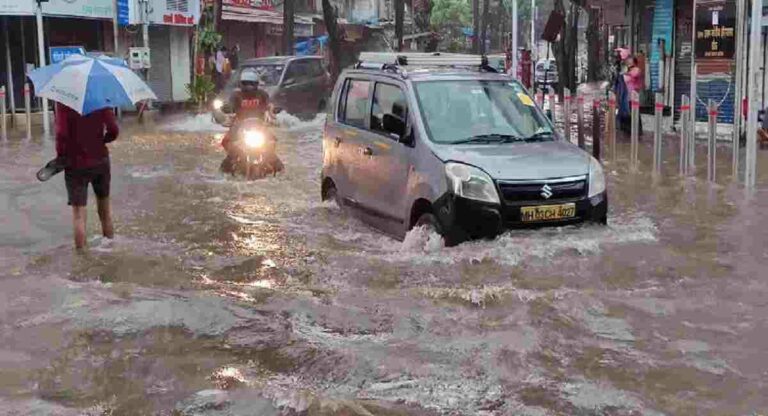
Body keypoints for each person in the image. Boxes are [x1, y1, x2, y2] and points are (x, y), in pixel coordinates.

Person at [55, 102, 119, 250]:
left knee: (78, 215)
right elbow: (113, 130)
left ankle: (82, 261)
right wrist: (101, 141)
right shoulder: (100, 99)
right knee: (105, 212)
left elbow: (61, 134)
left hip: (75, 163)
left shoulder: (65, 100)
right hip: (100, 160)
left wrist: (61, 156)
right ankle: (110, 250)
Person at [220, 68, 271, 172]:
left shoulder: (262, 94)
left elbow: (269, 106)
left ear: (256, 84)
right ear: (241, 84)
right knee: (229, 146)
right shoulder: (236, 95)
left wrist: (272, 110)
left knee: (271, 145)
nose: (249, 86)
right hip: (240, 127)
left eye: (251, 83)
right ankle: (225, 172)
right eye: (246, 83)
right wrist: (227, 108)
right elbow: (230, 106)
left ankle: (279, 172)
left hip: (259, 127)